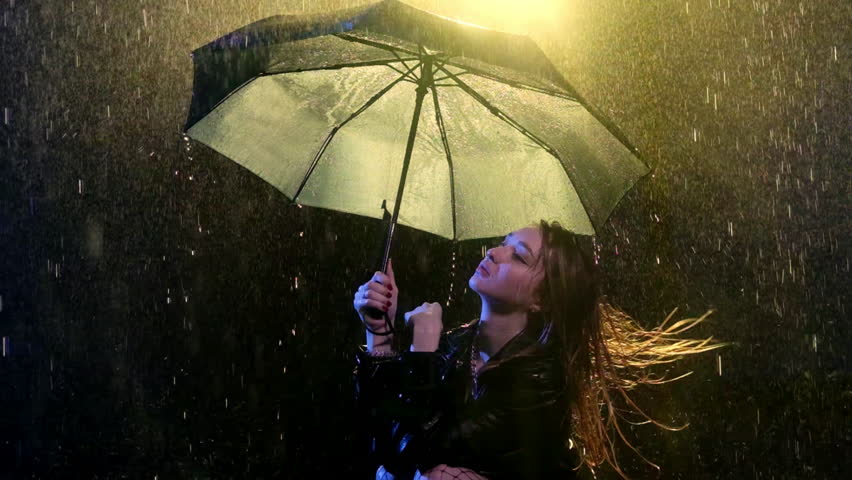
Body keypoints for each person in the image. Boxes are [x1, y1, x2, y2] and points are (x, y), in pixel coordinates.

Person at [352, 220, 726, 480]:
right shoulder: (454, 346)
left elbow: (418, 454)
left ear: (540, 300)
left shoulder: (542, 378)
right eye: (503, 242)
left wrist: (422, 350)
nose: (494, 252)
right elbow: (385, 447)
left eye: (519, 256)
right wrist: (378, 332)